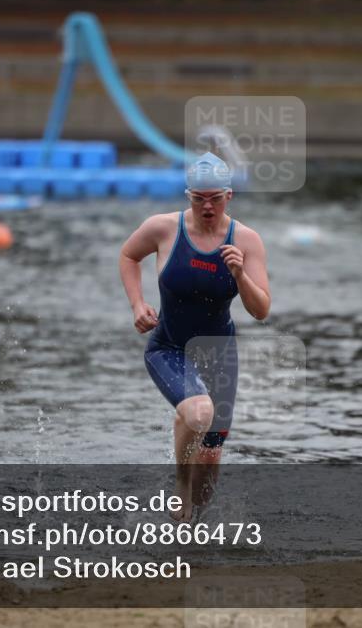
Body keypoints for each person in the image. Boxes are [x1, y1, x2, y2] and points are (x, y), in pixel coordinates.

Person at [119, 152, 271, 522]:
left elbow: (261, 309)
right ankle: (180, 485)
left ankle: (192, 536)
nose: (207, 206)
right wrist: (138, 304)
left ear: (229, 196)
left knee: (211, 455)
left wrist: (239, 275)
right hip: (169, 347)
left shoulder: (246, 240)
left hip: (219, 352)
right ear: (188, 195)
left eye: (215, 199)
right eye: (199, 198)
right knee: (200, 411)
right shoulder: (163, 228)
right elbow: (128, 256)